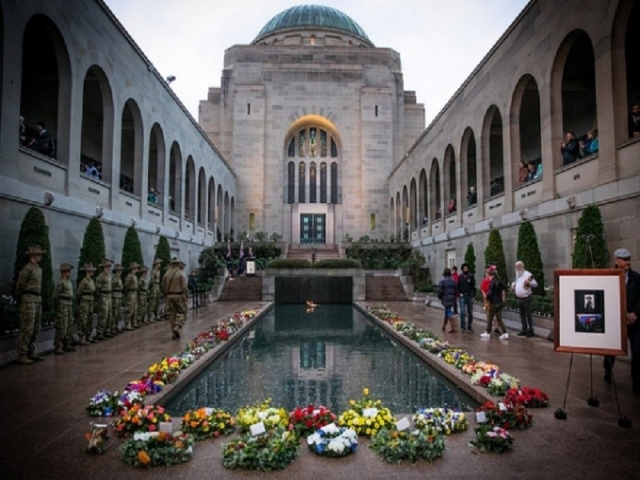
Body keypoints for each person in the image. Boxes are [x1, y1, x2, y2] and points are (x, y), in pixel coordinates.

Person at [603, 248, 640, 394]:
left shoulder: (636, 278)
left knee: (637, 350)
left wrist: (635, 314)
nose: (628, 262)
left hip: (634, 321)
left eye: (629, 259)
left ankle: (636, 382)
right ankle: (607, 370)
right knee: (612, 349)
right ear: (616, 261)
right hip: (617, 321)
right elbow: (607, 298)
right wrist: (622, 314)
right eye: (624, 260)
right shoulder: (609, 277)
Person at [15, 245, 46, 364]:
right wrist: (20, 299)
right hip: (28, 299)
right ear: (32, 256)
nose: (40, 256)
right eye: (38, 254)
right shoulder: (27, 269)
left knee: (35, 327)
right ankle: (22, 353)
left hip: (37, 299)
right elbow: (20, 286)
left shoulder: (38, 269)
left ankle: (30, 351)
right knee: (27, 327)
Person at [162, 257, 188, 339]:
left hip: (169, 296)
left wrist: (166, 294)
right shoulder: (180, 273)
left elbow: (162, 286)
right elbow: (184, 286)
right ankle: (177, 327)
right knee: (182, 313)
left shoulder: (166, 273)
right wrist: (186, 295)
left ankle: (173, 333)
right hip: (179, 296)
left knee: (173, 314)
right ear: (178, 264)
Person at [53, 263, 76, 355]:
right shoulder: (60, 282)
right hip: (62, 304)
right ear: (63, 272)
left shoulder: (68, 281)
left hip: (68, 304)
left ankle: (66, 343)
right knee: (61, 325)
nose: (69, 273)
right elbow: (56, 296)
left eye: (69, 271)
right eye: (68, 271)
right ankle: (58, 345)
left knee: (69, 324)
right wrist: (57, 307)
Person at [480, 265, 509, 340]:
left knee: (490, 318)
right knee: (499, 319)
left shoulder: (492, 281)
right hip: (499, 302)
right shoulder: (499, 280)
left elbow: (490, 292)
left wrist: (487, 297)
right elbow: (504, 287)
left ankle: (488, 332)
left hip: (493, 303)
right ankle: (505, 333)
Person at [511, 260, 538, 337]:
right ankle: (524, 329)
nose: (518, 268)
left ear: (523, 267)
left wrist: (529, 283)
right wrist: (513, 286)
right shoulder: (517, 275)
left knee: (528, 315)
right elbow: (515, 282)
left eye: (519, 266)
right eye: (516, 267)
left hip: (526, 298)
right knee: (522, 315)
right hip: (519, 298)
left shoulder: (528, 274)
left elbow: (535, 284)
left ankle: (530, 330)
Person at [76, 263, 96, 345]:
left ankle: (88, 336)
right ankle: (81, 338)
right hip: (85, 301)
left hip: (91, 300)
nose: (93, 272)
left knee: (90, 319)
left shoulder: (91, 280)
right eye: (91, 270)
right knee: (83, 319)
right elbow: (79, 292)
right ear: (88, 271)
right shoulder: (84, 281)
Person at [93, 259, 113, 341]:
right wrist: (99, 297)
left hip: (109, 296)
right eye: (107, 266)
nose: (108, 268)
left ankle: (107, 331)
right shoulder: (100, 276)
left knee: (109, 314)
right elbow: (97, 288)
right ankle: (100, 332)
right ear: (103, 267)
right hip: (103, 296)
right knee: (103, 314)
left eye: (109, 266)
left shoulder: (109, 276)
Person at [437, 267, 458, 333]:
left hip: (445, 298)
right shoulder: (453, 281)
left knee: (448, 312)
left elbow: (440, 291)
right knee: (447, 311)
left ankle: (453, 327)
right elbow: (456, 290)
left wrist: (440, 297)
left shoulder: (442, 281)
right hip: (452, 298)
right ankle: (444, 326)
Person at [458, 263, 476, 331]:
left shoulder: (471, 276)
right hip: (462, 296)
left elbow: (473, 287)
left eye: (466, 268)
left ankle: (469, 325)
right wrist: (459, 293)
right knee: (462, 312)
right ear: (462, 269)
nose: (465, 269)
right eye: (464, 268)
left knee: (470, 312)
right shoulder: (460, 276)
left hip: (469, 296)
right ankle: (463, 326)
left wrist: (473, 296)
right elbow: (458, 286)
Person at [123, 262, 139, 330]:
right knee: (129, 309)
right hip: (131, 293)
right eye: (136, 268)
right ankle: (127, 323)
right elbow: (126, 286)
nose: (137, 269)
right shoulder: (129, 276)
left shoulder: (135, 276)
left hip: (134, 293)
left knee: (135, 309)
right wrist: (127, 294)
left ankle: (134, 322)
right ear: (133, 269)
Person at [110, 264, 124, 335]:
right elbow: (111, 288)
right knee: (114, 312)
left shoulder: (119, 279)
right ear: (116, 271)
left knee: (118, 312)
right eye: (119, 270)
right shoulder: (114, 279)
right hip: (115, 296)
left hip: (119, 296)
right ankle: (112, 327)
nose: (121, 272)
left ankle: (116, 326)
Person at [148, 258, 162, 322]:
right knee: (152, 302)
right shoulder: (153, 271)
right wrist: (151, 287)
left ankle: (157, 315)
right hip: (154, 287)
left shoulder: (158, 271)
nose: (160, 264)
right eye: (159, 263)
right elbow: (151, 280)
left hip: (157, 286)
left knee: (157, 302)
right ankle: (150, 316)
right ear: (156, 264)